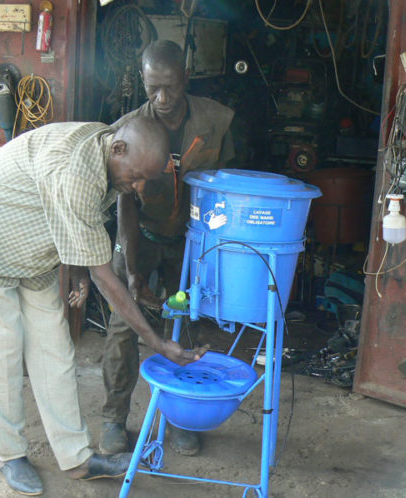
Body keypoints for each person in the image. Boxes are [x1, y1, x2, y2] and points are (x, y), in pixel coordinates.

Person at [0, 117, 207, 496]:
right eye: (135, 177)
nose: (138, 187)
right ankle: (11, 454)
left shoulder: (109, 147)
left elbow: (70, 223)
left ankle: (77, 459)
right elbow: (106, 278)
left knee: (55, 351)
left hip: (32, 251)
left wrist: (78, 269)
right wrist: (157, 341)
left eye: (145, 180)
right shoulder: (77, 171)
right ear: (118, 149)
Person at [101, 40, 235, 457]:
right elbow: (124, 199)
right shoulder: (126, 129)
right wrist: (132, 264)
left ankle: (180, 419)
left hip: (192, 242)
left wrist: (210, 254)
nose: (161, 99)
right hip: (140, 235)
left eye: (170, 88)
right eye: (152, 88)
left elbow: (228, 186)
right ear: (143, 81)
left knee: (185, 322)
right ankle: (113, 419)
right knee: (125, 325)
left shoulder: (216, 121)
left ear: (186, 79)